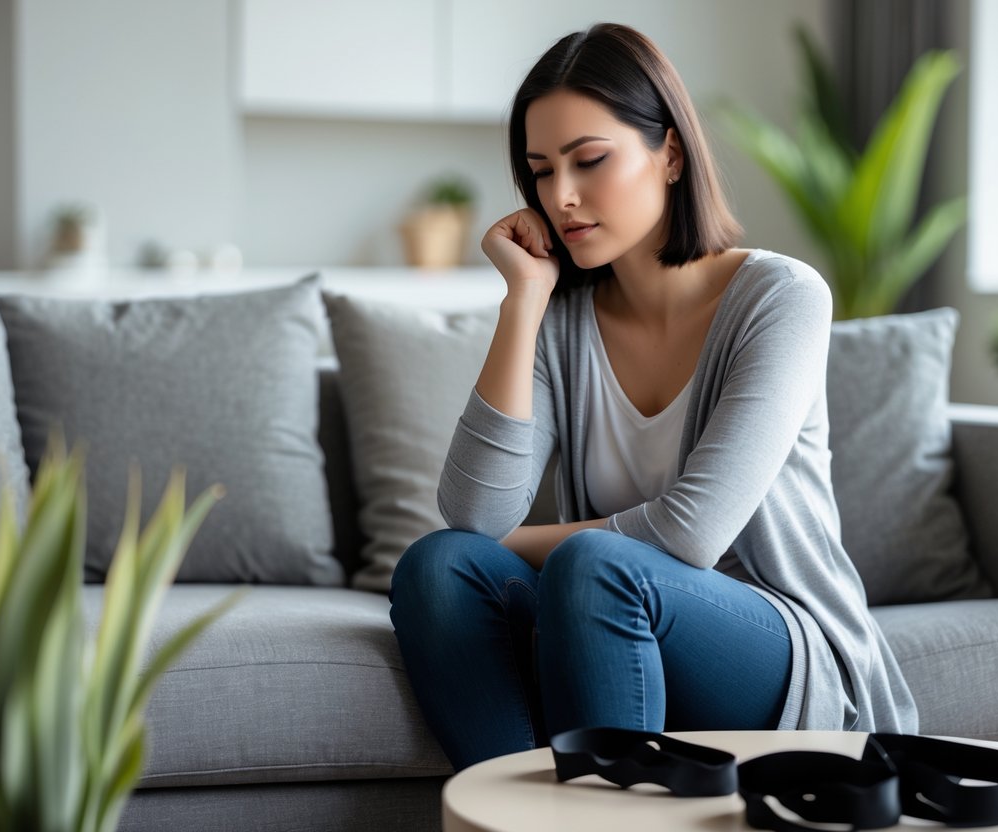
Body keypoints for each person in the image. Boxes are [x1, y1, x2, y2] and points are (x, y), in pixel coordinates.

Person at [389, 22, 917, 772]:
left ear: (668, 153)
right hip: (601, 621)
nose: (561, 197)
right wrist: (523, 300)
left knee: (594, 564)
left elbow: (690, 534)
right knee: (436, 566)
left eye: (589, 160)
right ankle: (522, 819)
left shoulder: (781, 296)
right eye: (540, 171)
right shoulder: (561, 320)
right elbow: (473, 518)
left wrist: (515, 547)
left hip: (777, 650)